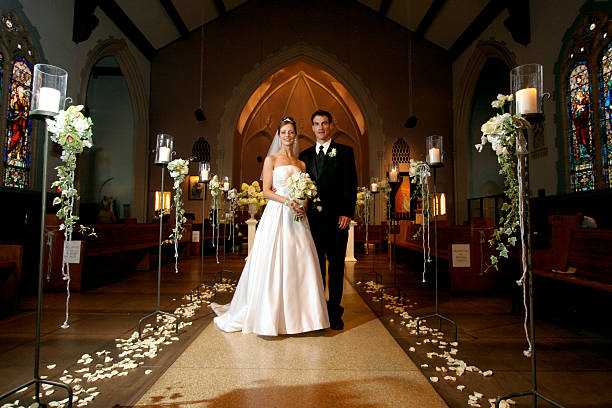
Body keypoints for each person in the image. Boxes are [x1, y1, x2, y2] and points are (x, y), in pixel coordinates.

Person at [211, 117, 329, 336]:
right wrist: (287, 201)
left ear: (295, 136)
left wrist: (303, 205)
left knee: (300, 262)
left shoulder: (301, 163)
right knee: (273, 261)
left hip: (297, 216)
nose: (287, 136)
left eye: (291, 132)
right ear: (279, 135)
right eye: (283, 132)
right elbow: (266, 191)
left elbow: (306, 191)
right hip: (278, 213)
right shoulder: (270, 159)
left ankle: (304, 318)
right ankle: (270, 315)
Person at [299, 110, 357, 330]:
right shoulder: (304, 156)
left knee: (336, 267)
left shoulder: (344, 152)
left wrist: (347, 212)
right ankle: (318, 311)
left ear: (331, 125)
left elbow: (350, 184)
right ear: (312, 127)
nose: (321, 127)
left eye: (324, 123)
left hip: (337, 220)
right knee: (316, 268)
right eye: (316, 124)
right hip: (312, 221)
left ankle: (335, 311)